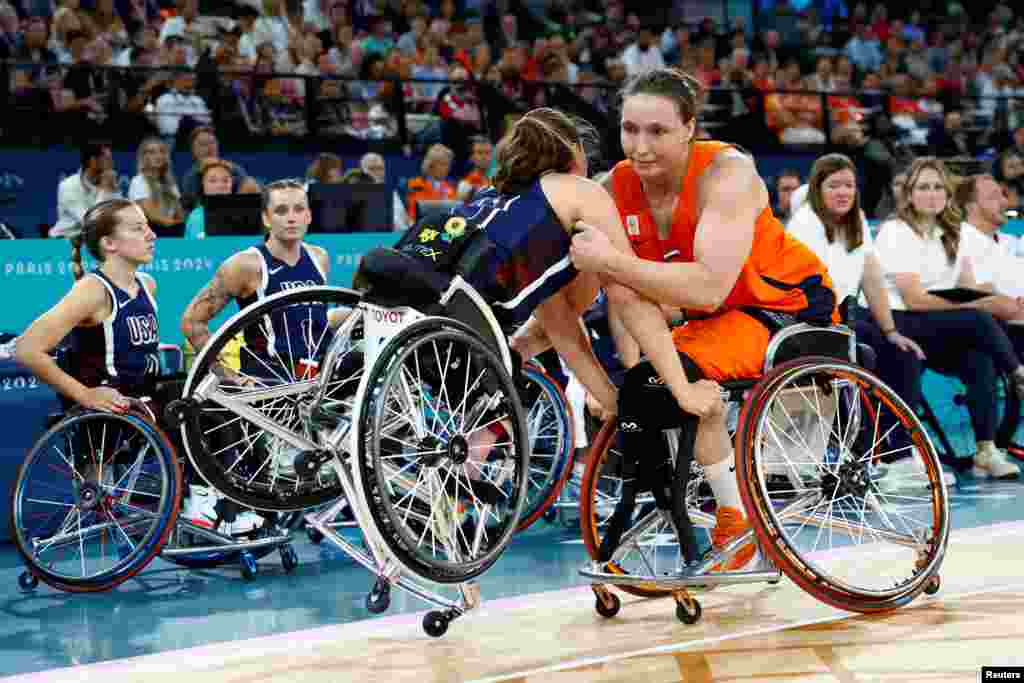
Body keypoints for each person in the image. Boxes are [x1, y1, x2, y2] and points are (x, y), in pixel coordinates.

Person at [566, 67, 841, 570]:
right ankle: (727, 513)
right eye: (630, 130)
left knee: (668, 377)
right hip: (708, 313)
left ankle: (731, 519)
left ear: (690, 127)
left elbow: (710, 287)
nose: (641, 146)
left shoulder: (727, 174)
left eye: (657, 131)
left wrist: (609, 263)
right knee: (650, 383)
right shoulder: (615, 186)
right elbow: (608, 293)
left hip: (783, 305)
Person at [14, 198, 261, 533]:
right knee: (188, 408)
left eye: (148, 225)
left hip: (146, 396)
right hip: (112, 409)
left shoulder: (147, 284)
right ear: (109, 244)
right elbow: (28, 349)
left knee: (216, 397)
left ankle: (226, 502)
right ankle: (207, 504)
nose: (151, 234)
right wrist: (85, 395)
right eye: (138, 228)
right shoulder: (92, 290)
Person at [784, 154, 952, 489]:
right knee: (867, 354)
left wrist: (891, 331)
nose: (843, 192)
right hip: (810, 319)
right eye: (834, 186)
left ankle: (901, 457)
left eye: (849, 185)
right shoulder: (805, 223)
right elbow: (809, 286)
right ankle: (879, 456)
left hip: (848, 315)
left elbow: (872, 277)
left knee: (901, 353)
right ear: (817, 189)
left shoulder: (856, 219)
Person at [873, 157, 1023, 479]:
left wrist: (1003, 301)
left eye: (938, 186)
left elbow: (968, 287)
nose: (932, 194)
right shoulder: (895, 231)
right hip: (899, 320)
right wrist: (974, 307)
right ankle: (1018, 373)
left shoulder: (950, 232)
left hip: (938, 324)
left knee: (979, 350)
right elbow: (913, 299)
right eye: (923, 187)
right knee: (978, 321)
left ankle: (986, 449)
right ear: (910, 194)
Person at [180, 179, 331, 377]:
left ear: (309, 216)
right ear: (266, 218)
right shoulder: (246, 265)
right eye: (281, 211)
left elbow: (313, 319)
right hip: (269, 383)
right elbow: (192, 322)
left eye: (299, 209)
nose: (291, 218)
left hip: (319, 376)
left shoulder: (320, 258)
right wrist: (227, 376)